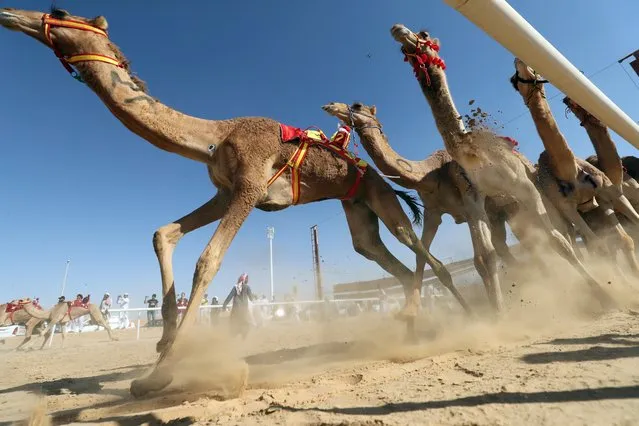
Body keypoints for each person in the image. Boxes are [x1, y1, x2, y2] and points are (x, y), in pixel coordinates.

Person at [222, 273, 256, 339]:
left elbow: (229, 297)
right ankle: (243, 339)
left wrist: (224, 305)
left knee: (234, 324)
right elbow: (251, 298)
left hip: (235, 310)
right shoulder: (247, 287)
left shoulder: (235, 287)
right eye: (247, 279)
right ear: (245, 279)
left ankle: (233, 339)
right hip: (244, 310)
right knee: (245, 324)